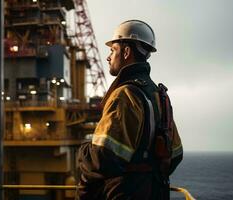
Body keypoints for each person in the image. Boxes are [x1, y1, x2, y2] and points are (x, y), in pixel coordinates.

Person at [77, 20, 183, 200]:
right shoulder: (159, 94)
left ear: (126, 52)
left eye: (113, 50)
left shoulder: (125, 95)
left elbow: (103, 159)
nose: (108, 57)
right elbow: (175, 155)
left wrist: (83, 151)